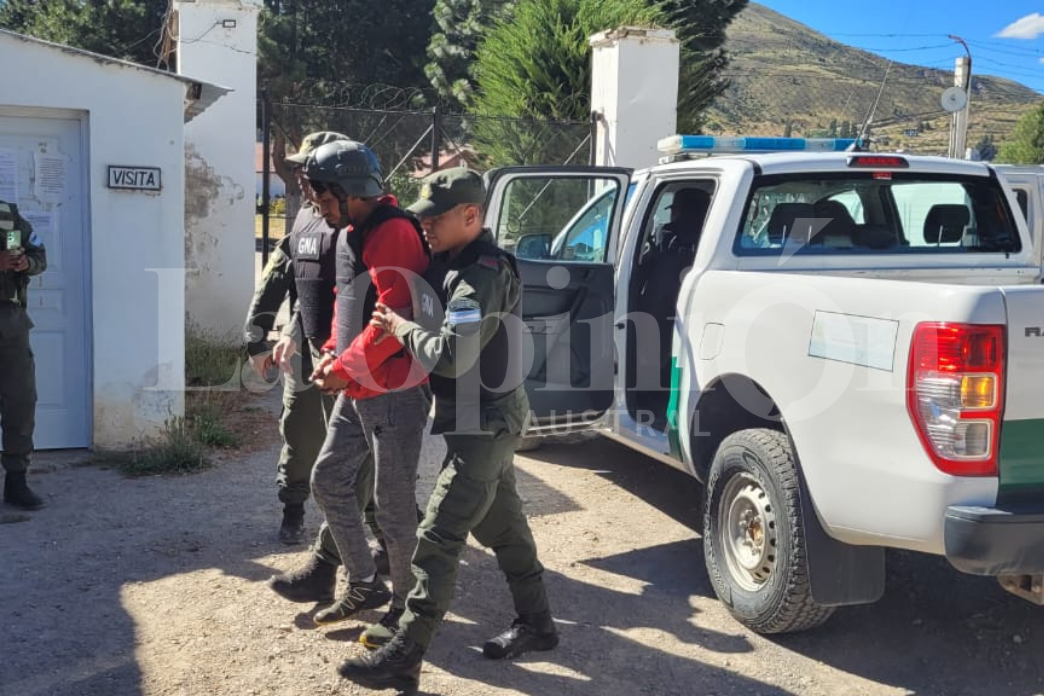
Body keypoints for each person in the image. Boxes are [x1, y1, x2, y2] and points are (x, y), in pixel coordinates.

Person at [339, 169, 557, 693]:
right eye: (422, 216)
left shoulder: (480, 273)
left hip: (487, 421)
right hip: (473, 418)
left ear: (471, 216)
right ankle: (539, 625)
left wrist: (400, 328)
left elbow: (452, 357)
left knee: (438, 536)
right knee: (504, 529)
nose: (424, 224)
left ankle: (406, 654)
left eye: (434, 218)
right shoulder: (449, 261)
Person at [300, 140, 432, 641]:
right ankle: (363, 583)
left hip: (395, 388)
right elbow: (350, 303)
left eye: (321, 194)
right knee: (328, 479)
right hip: (360, 384)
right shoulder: (354, 231)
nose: (316, 204)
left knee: (393, 506)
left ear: (348, 190)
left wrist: (345, 367)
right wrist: (334, 353)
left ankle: (404, 608)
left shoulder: (393, 232)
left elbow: (393, 319)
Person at [245, 131, 387, 552]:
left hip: (349, 354)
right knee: (301, 433)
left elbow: (354, 291)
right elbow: (282, 274)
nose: (304, 176)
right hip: (308, 350)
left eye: (312, 168)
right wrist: (258, 337)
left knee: (355, 448)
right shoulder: (308, 216)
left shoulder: (355, 221)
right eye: (302, 169)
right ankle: (292, 507)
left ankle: (371, 527)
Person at [0, 200, 47, 510]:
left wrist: (24, 264)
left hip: (11, 322)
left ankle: (16, 482)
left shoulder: (8, 216)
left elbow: (38, 255)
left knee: (21, 401)